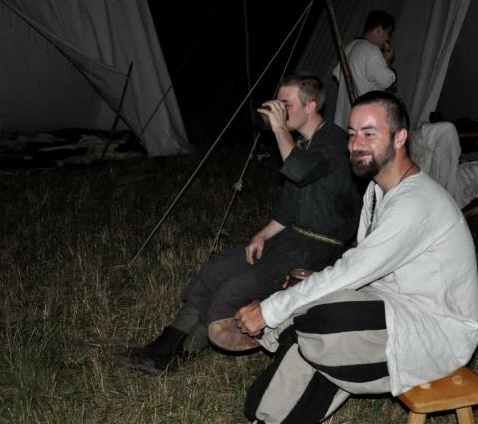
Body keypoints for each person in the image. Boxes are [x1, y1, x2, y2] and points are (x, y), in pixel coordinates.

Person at [236, 91, 478, 423]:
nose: (355, 144)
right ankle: (266, 415)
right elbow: (365, 265)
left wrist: (271, 309)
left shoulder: (417, 202)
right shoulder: (378, 191)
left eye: (369, 133)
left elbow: (353, 270)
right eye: (352, 134)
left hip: (436, 332)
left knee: (320, 321)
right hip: (391, 305)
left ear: (399, 138)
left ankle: (281, 331)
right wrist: (302, 291)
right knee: (314, 316)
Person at [115, 73, 361, 375]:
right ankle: (161, 348)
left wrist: (279, 129)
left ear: (310, 106)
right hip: (289, 239)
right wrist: (262, 234)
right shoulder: (302, 144)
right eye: (278, 103)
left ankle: (179, 356)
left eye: (286, 105)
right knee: (214, 272)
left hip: (315, 250)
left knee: (230, 292)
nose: (279, 110)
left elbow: (299, 170)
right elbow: (289, 208)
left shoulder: (334, 141)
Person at [332, 9, 397, 129]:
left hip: (344, 118)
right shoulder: (371, 50)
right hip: (364, 120)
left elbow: (337, 74)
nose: (388, 39)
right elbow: (386, 81)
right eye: (388, 34)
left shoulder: (349, 47)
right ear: (378, 29)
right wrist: (388, 60)